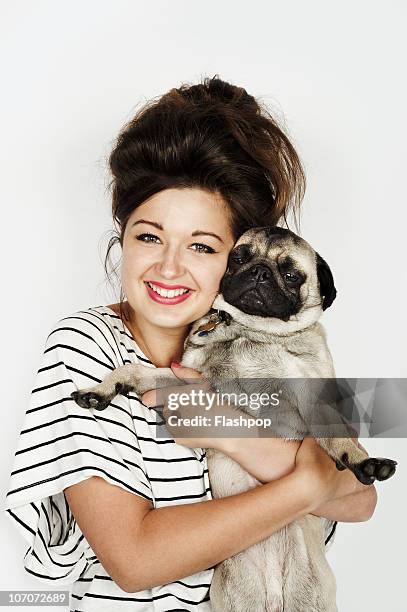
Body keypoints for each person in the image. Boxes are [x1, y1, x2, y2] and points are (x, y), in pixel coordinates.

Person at [4, 76, 377, 611]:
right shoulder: (87, 346)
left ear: (235, 254)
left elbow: (362, 497)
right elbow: (133, 562)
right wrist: (303, 484)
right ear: (122, 238)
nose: (170, 267)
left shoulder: (277, 348)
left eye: (202, 246)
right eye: (149, 236)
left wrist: (230, 429)